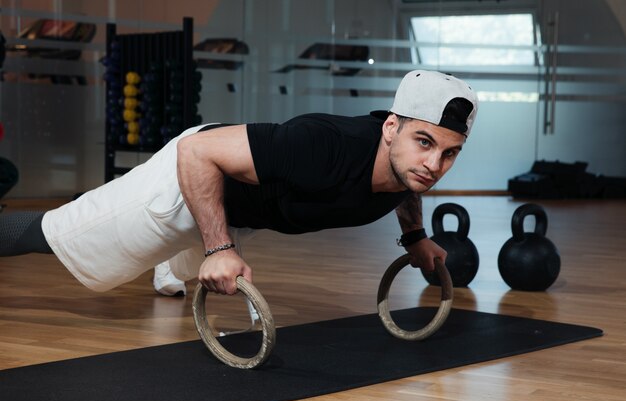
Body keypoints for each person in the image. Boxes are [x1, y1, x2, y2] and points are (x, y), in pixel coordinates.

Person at [0, 70, 478, 297]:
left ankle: (173, 264)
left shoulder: (405, 165)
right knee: (54, 235)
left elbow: (407, 185)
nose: (434, 165)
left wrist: (415, 237)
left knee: (189, 258)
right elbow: (197, 154)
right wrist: (216, 249)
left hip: (243, 205)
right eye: (423, 142)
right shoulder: (323, 146)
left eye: (448, 152)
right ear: (390, 128)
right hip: (190, 180)